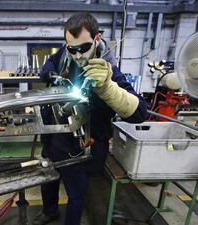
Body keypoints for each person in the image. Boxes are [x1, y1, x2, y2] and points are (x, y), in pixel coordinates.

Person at [34, 13, 147, 225]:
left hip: (82, 144)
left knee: (75, 194)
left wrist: (107, 88)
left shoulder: (108, 71)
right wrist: (48, 73)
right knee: (47, 178)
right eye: (72, 49)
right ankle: (50, 212)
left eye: (83, 48)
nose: (77, 55)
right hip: (54, 135)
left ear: (97, 39)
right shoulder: (66, 52)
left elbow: (140, 113)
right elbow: (50, 62)